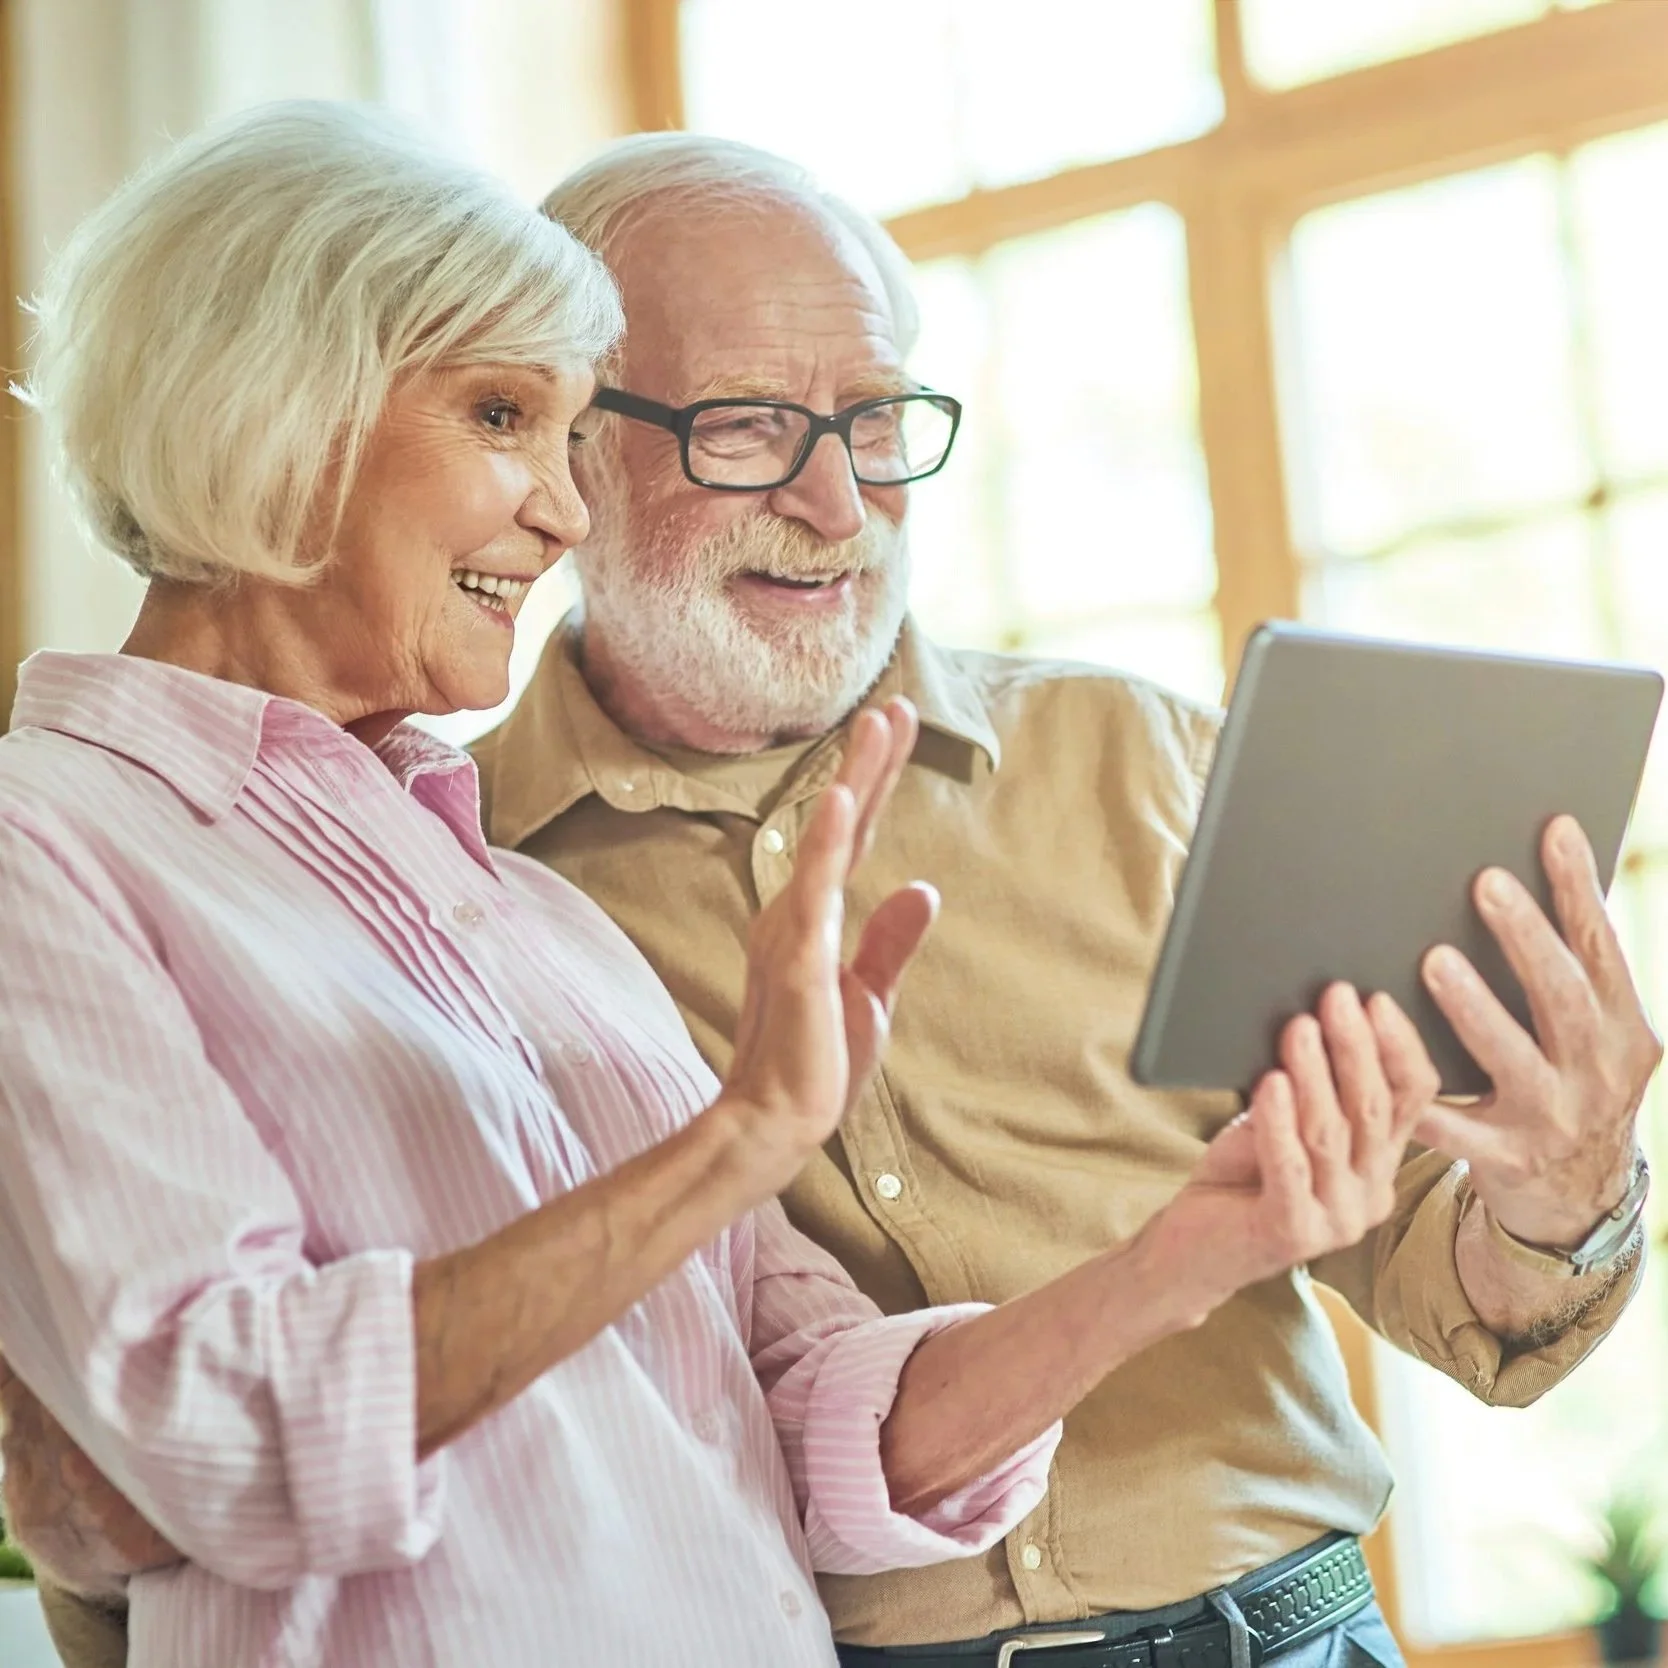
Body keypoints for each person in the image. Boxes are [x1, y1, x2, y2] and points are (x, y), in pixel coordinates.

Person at [7, 130, 1655, 1668]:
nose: (839, 500)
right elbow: (192, 1445)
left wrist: (1545, 1190)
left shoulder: (1125, 760)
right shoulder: (462, 864)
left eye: (877, 421)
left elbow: (795, 1408)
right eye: (745, 426)